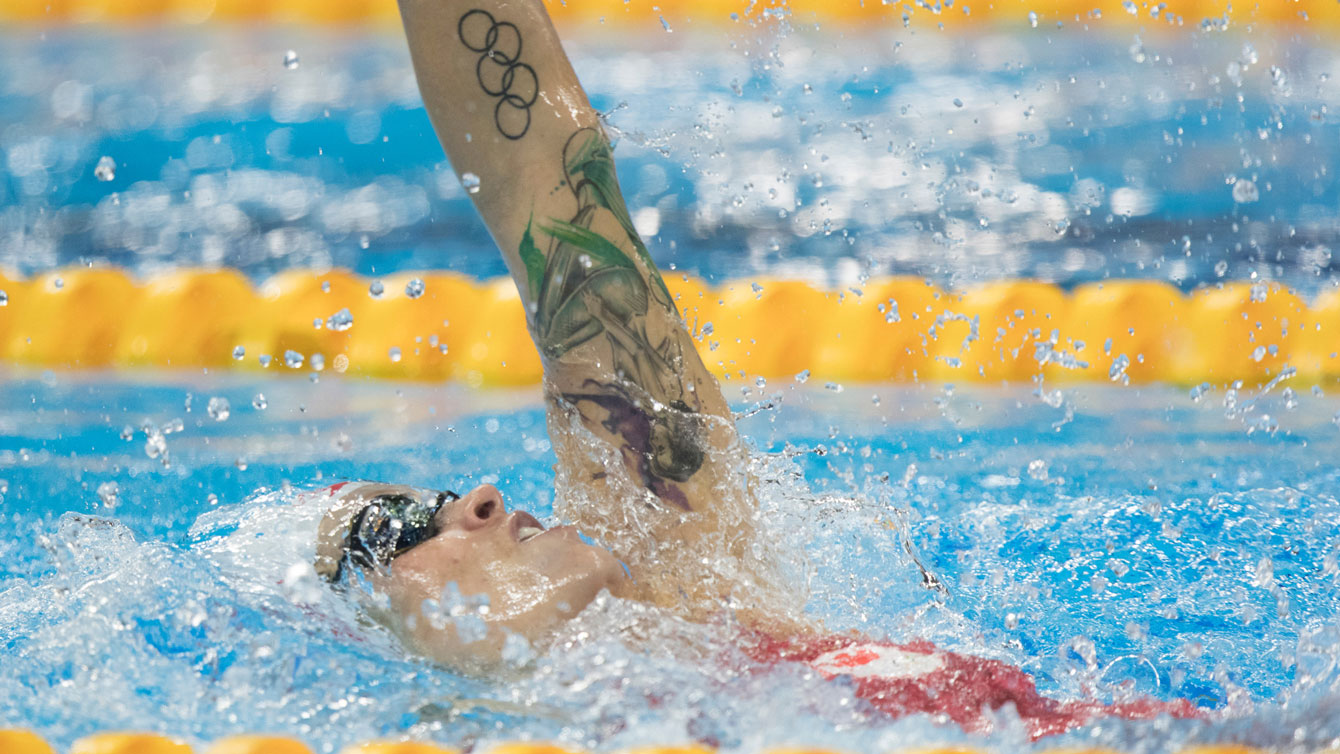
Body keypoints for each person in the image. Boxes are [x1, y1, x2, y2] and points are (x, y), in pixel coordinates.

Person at [313, 0, 1202, 736]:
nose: (476, 499)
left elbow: (537, 166)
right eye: (398, 531)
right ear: (385, 649)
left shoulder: (685, 564)